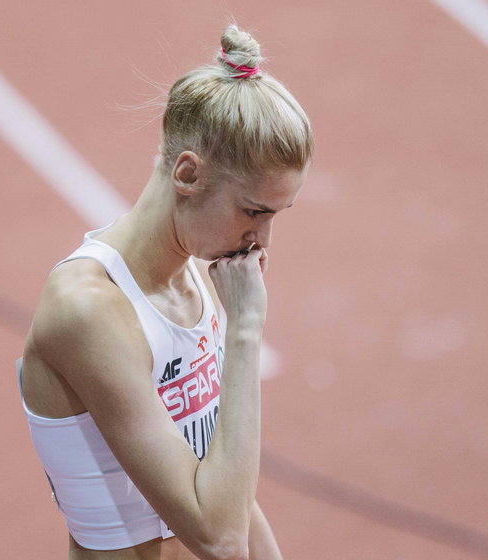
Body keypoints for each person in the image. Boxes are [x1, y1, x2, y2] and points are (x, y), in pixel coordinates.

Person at [17, 24, 313, 560]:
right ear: (187, 173)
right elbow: (217, 537)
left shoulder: (197, 276)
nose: (262, 241)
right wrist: (245, 330)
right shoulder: (88, 310)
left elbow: (234, 497)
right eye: (254, 212)